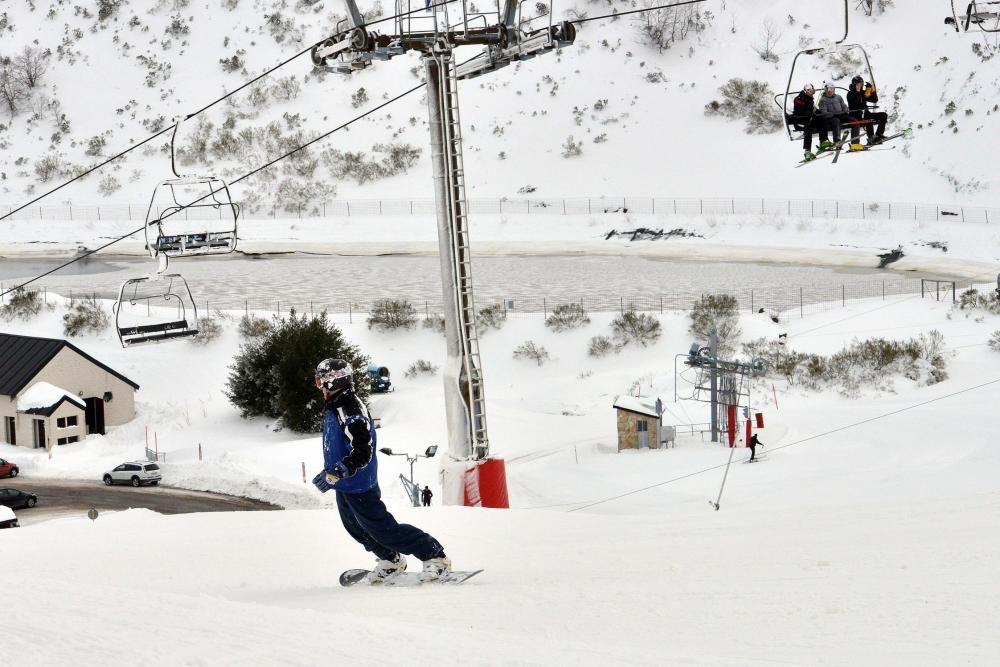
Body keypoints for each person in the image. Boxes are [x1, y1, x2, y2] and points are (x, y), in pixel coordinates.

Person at [311, 358, 451, 583]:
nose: (319, 387)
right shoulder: (336, 406)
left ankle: (435, 556)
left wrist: (339, 470)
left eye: (320, 382)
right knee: (356, 529)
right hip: (345, 484)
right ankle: (391, 560)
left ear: (332, 382)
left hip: (359, 484)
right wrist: (333, 473)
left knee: (384, 530)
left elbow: (363, 450)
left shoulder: (350, 410)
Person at [791, 83, 832, 161]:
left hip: (808, 119)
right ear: (805, 91)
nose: (811, 93)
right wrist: (809, 113)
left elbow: (813, 109)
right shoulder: (799, 98)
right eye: (809, 91)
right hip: (799, 121)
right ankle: (807, 152)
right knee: (808, 128)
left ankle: (823, 141)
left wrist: (819, 113)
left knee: (822, 120)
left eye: (812, 91)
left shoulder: (810, 99)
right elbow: (800, 110)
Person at [846, 75, 887, 145]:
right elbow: (854, 103)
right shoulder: (850, 93)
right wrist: (860, 93)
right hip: (856, 115)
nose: (859, 86)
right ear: (854, 84)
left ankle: (879, 134)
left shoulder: (863, 92)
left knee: (883, 115)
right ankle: (871, 137)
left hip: (866, 113)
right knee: (868, 119)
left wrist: (872, 91)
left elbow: (874, 100)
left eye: (861, 84)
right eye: (858, 84)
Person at [817, 83, 851, 148]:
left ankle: (855, 142)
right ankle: (837, 140)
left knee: (853, 120)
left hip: (841, 115)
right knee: (836, 121)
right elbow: (823, 112)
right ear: (825, 90)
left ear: (834, 90)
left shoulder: (838, 97)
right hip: (831, 118)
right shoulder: (822, 100)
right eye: (828, 89)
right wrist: (831, 114)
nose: (830, 91)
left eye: (832, 89)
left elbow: (844, 106)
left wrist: (845, 110)